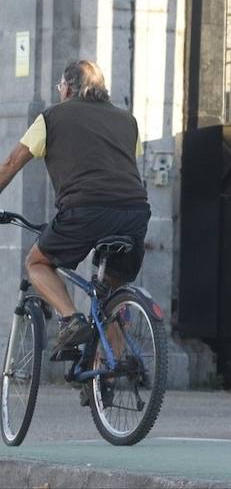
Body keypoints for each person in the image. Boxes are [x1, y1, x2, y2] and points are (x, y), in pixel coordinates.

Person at [0, 60, 150, 360]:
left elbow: (10, 164)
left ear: (67, 88)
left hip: (85, 210)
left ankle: (70, 319)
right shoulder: (127, 120)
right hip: (135, 212)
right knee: (111, 295)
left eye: (60, 87)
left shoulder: (51, 117)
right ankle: (104, 379)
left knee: (38, 262)